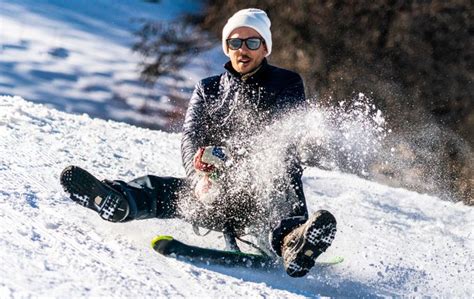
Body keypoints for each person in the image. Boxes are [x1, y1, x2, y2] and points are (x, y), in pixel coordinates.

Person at [60, 8, 336, 278]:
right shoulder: (208, 89)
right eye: (235, 42)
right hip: (214, 192)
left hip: (263, 196)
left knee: (281, 173)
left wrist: (237, 160)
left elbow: (284, 139)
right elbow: (191, 137)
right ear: (227, 48)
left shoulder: (286, 82)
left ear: (265, 48)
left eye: (252, 42)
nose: (243, 49)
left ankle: (294, 243)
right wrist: (197, 176)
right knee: (162, 190)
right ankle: (119, 203)